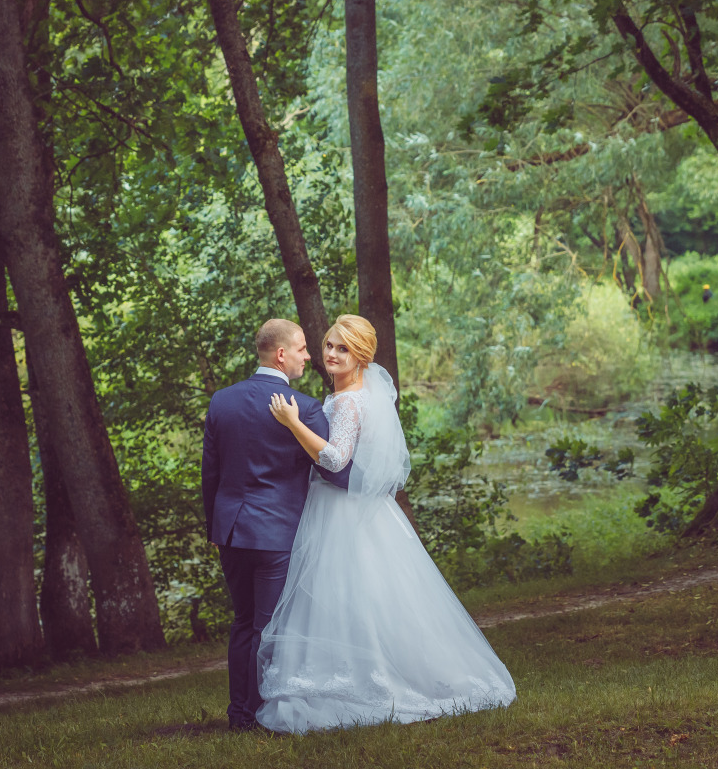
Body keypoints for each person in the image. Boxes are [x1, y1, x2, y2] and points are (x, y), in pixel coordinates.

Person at [255, 314, 517, 733]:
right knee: (357, 597)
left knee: (346, 594)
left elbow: (337, 459)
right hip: (357, 509)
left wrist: (293, 423)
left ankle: (367, 683)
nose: (331, 354)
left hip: (341, 511)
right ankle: (364, 673)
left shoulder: (349, 400)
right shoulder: (357, 395)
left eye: (343, 348)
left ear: (361, 356)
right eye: (329, 346)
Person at [202, 318, 348, 732]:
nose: (308, 356)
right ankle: (258, 715)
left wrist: (214, 527)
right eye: (302, 348)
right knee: (268, 626)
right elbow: (336, 471)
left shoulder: (222, 401)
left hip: (231, 532)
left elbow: (209, 473)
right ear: (281, 354)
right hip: (276, 533)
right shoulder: (304, 408)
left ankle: (239, 713)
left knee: (243, 622)